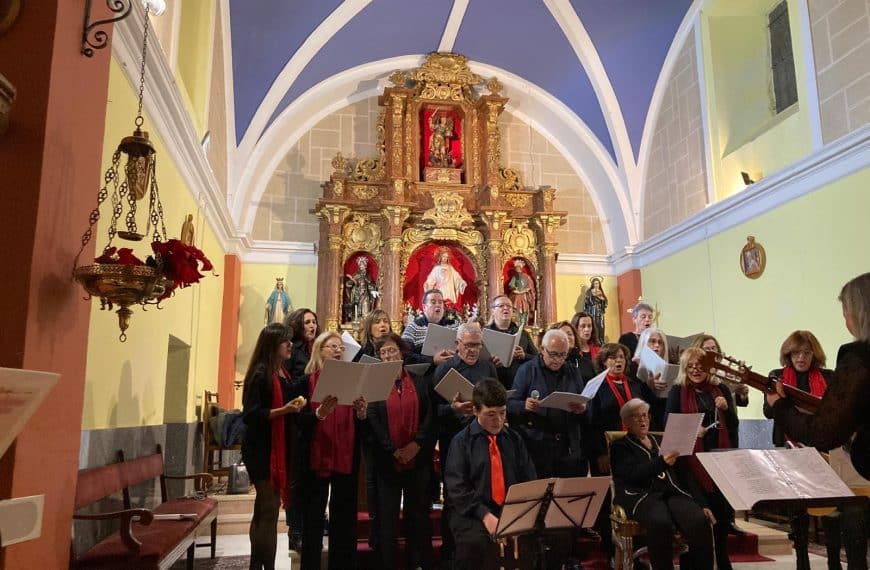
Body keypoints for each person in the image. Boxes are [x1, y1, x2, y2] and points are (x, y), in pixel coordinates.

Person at [767, 273, 870, 569]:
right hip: (796, 453)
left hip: (845, 461)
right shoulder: (779, 374)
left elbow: (825, 431)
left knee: (850, 512)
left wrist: (782, 407)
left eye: (846, 313)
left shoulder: (858, 356)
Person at [610, 398, 715, 570]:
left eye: (645, 415)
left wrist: (701, 503)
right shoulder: (620, 446)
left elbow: (685, 475)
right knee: (660, 522)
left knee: (699, 520)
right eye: (636, 417)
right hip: (641, 495)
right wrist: (661, 462)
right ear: (626, 422)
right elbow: (631, 475)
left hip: (671, 493)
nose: (643, 420)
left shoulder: (661, 442)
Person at [444, 379, 537, 570]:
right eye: (491, 414)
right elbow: (458, 489)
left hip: (510, 509)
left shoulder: (514, 439)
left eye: (502, 413)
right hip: (472, 512)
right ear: (476, 411)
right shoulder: (461, 442)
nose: (498, 420)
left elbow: (529, 478)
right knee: (474, 544)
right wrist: (485, 515)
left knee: (540, 539)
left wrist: (518, 513)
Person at [366, 333, 436, 569]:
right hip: (388, 460)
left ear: (401, 354)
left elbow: (429, 415)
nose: (387, 356)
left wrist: (417, 444)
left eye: (392, 351)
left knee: (418, 515)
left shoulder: (419, 380)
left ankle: (417, 562)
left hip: (418, 459)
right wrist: (392, 449)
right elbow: (373, 421)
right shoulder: (374, 385)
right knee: (388, 518)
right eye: (383, 353)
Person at [299, 331, 368, 570]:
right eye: (332, 347)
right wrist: (318, 415)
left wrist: (361, 413)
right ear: (320, 351)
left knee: (344, 518)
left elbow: (362, 425)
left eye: (340, 347)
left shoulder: (354, 379)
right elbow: (297, 423)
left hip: (346, 455)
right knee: (314, 519)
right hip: (316, 456)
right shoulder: (306, 380)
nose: (338, 350)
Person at [665, 347, 738, 570]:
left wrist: (726, 409)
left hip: (720, 458)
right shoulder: (678, 391)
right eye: (690, 367)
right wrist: (691, 430)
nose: (696, 370)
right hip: (690, 462)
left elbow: (734, 427)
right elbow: (669, 425)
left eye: (700, 366)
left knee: (723, 515)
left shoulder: (720, 388)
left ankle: (723, 560)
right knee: (699, 516)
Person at [241, 323, 307, 570]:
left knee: (264, 510)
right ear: (272, 345)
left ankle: (257, 564)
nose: (290, 345)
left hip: (274, 447)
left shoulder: (281, 372)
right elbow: (251, 415)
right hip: (262, 450)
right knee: (267, 510)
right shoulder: (260, 373)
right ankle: (264, 565)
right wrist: (285, 410)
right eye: (285, 341)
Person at [432, 322, 499, 564]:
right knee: (454, 497)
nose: (472, 350)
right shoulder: (445, 370)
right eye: (468, 345)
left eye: (477, 345)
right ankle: (452, 553)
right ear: (457, 344)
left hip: (483, 441)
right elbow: (434, 411)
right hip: (454, 441)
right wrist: (453, 409)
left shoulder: (488, 368)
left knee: (484, 492)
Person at [508, 329, 589, 478]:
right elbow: (510, 404)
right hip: (537, 445)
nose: (558, 359)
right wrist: (524, 405)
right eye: (553, 354)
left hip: (567, 444)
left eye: (563, 355)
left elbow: (583, 399)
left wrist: (582, 407)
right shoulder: (527, 370)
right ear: (542, 350)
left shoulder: (572, 371)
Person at [763, 330, 834, 447]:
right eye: (796, 353)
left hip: (820, 443)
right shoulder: (776, 375)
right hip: (785, 444)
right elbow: (768, 413)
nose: (801, 358)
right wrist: (778, 399)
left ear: (814, 355)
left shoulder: (829, 376)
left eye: (807, 353)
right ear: (788, 354)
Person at [485, 294, 538, 389]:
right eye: (501, 306)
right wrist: (490, 362)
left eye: (509, 306)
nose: (506, 308)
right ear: (493, 311)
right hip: (492, 385)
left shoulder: (522, 334)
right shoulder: (484, 333)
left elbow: (538, 359)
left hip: (518, 384)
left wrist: (524, 355)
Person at [401, 288, 459, 370]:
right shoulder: (413, 327)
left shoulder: (454, 325)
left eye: (440, 302)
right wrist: (432, 360)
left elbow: (465, 349)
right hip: (425, 375)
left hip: (453, 371)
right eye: (433, 302)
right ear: (424, 307)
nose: (438, 305)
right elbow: (405, 355)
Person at [690, 334, 749, 406]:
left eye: (713, 348)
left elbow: (740, 403)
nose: (712, 351)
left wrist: (742, 394)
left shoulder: (724, 371)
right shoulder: (694, 374)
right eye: (707, 349)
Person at [635, 327, 671, 430]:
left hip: (665, 421)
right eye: (652, 341)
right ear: (643, 343)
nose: (656, 345)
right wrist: (648, 387)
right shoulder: (633, 366)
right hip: (644, 422)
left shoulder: (667, 367)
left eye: (660, 343)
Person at [286, 308, 320, 379]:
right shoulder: (291, 348)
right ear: (298, 325)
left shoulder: (318, 348)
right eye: (307, 322)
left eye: (314, 322)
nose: (312, 325)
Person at [345, 256, 378, 323]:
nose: (362, 266)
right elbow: (348, 285)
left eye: (363, 265)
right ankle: (355, 321)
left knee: (366, 310)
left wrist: (373, 289)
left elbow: (371, 285)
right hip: (356, 295)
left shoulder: (368, 276)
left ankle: (366, 323)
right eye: (361, 265)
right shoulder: (356, 275)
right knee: (356, 310)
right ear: (359, 266)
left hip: (365, 295)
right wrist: (352, 282)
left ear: (365, 266)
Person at [570, 312, 601, 381]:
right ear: (575, 328)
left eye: (589, 326)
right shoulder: (571, 351)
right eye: (583, 326)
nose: (587, 329)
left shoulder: (599, 350)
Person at [506, 259, 536, 325]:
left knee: (524, 309)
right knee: (516, 307)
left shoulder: (527, 277)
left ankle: (524, 323)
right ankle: (517, 323)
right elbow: (511, 285)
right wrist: (516, 290)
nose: (517, 269)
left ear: (520, 268)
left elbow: (530, 287)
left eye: (518, 268)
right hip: (516, 294)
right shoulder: (514, 277)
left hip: (524, 296)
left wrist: (524, 291)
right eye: (516, 268)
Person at [583, 277, 608, 345]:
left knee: (601, 327)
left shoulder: (601, 292)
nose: (596, 285)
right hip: (592, 312)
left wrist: (602, 299)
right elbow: (587, 302)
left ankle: (601, 340)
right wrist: (594, 295)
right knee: (594, 326)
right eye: (595, 283)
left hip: (600, 313)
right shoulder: (589, 292)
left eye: (597, 283)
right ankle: (594, 341)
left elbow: (605, 303)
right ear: (592, 284)